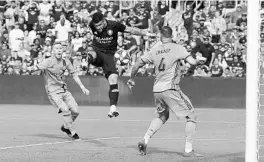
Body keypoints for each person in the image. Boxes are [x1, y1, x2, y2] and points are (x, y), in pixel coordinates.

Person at [127, 26, 205, 157]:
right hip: (171, 88)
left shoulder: (154, 50)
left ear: (160, 36)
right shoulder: (177, 48)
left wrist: (131, 78)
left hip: (157, 89)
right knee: (191, 116)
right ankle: (188, 150)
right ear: (172, 35)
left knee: (163, 116)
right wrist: (198, 61)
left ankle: (145, 139)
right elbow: (191, 62)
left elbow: (136, 65)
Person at [87, 12, 156, 118]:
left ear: (104, 20)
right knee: (92, 54)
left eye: (100, 25)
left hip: (110, 55)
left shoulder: (114, 25)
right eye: (96, 26)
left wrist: (146, 34)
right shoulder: (91, 24)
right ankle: (86, 59)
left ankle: (113, 108)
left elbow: (131, 30)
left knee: (114, 79)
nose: (98, 28)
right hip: (97, 51)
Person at [27, 42, 90, 140]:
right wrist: (30, 68)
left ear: (63, 50)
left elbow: (73, 74)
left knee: (76, 112)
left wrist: (82, 87)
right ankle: (73, 132)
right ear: (53, 50)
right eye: (56, 48)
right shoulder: (48, 61)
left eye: (60, 48)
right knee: (65, 110)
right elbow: (36, 68)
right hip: (53, 92)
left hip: (64, 90)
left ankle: (65, 127)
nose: (59, 50)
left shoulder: (66, 61)